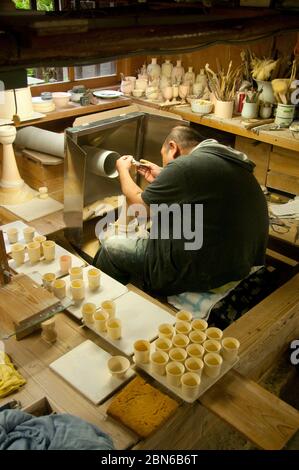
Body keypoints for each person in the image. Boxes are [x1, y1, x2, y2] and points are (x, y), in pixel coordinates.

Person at [93, 125, 269, 296]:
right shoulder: (220, 156)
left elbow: (141, 206)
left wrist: (123, 171)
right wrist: (165, 175)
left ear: (173, 148)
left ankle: (103, 304)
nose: (168, 167)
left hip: (208, 270)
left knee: (110, 249)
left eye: (164, 158)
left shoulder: (185, 165)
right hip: (240, 260)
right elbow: (199, 187)